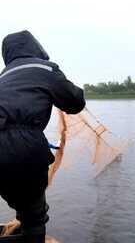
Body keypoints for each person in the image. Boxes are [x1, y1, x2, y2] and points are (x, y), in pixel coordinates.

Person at [0, 30, 85, 242]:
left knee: (21, 202)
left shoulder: (3, 76)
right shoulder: (44, 68)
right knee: (35, 217)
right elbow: (75, 102)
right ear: (35, 47)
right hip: (22, 147)